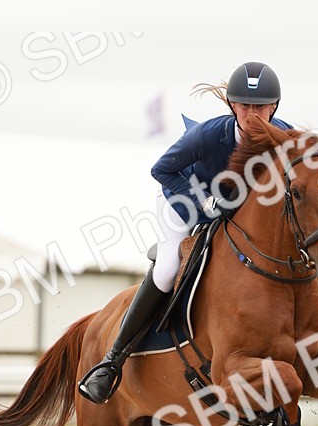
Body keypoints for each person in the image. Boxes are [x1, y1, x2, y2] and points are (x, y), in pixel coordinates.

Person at [79, 61, 292, 404]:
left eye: (261, 106)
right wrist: (203, 203)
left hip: (238, 216)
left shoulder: (284, 137)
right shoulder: (208, 135)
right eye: (245, 105)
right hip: (184, 201)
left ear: (274, 107)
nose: (253, 114)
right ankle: (111, 362)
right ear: (232, 106)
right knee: (166, 271)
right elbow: (162, 169)